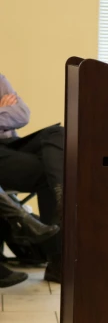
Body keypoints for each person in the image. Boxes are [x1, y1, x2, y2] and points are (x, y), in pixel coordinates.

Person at [0, 74, 63, 282]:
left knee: (57, 133)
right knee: (47, 172)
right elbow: (12, 116)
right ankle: (59, 260)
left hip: (11, 148)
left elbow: (22, 114)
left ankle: (62, 196)